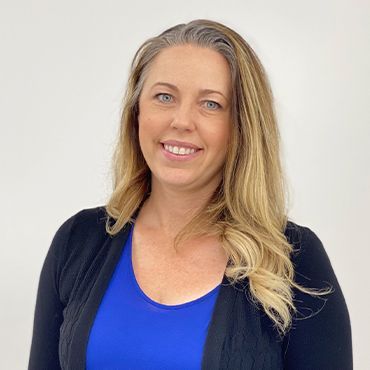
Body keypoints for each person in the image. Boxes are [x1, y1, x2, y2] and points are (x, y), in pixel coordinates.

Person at [28, 19, 353, 370]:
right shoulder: (78, 241)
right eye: (164, 97)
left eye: (211, 104)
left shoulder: (295, 262)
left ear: (242, 127)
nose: (182, 121)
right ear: (137, 113)